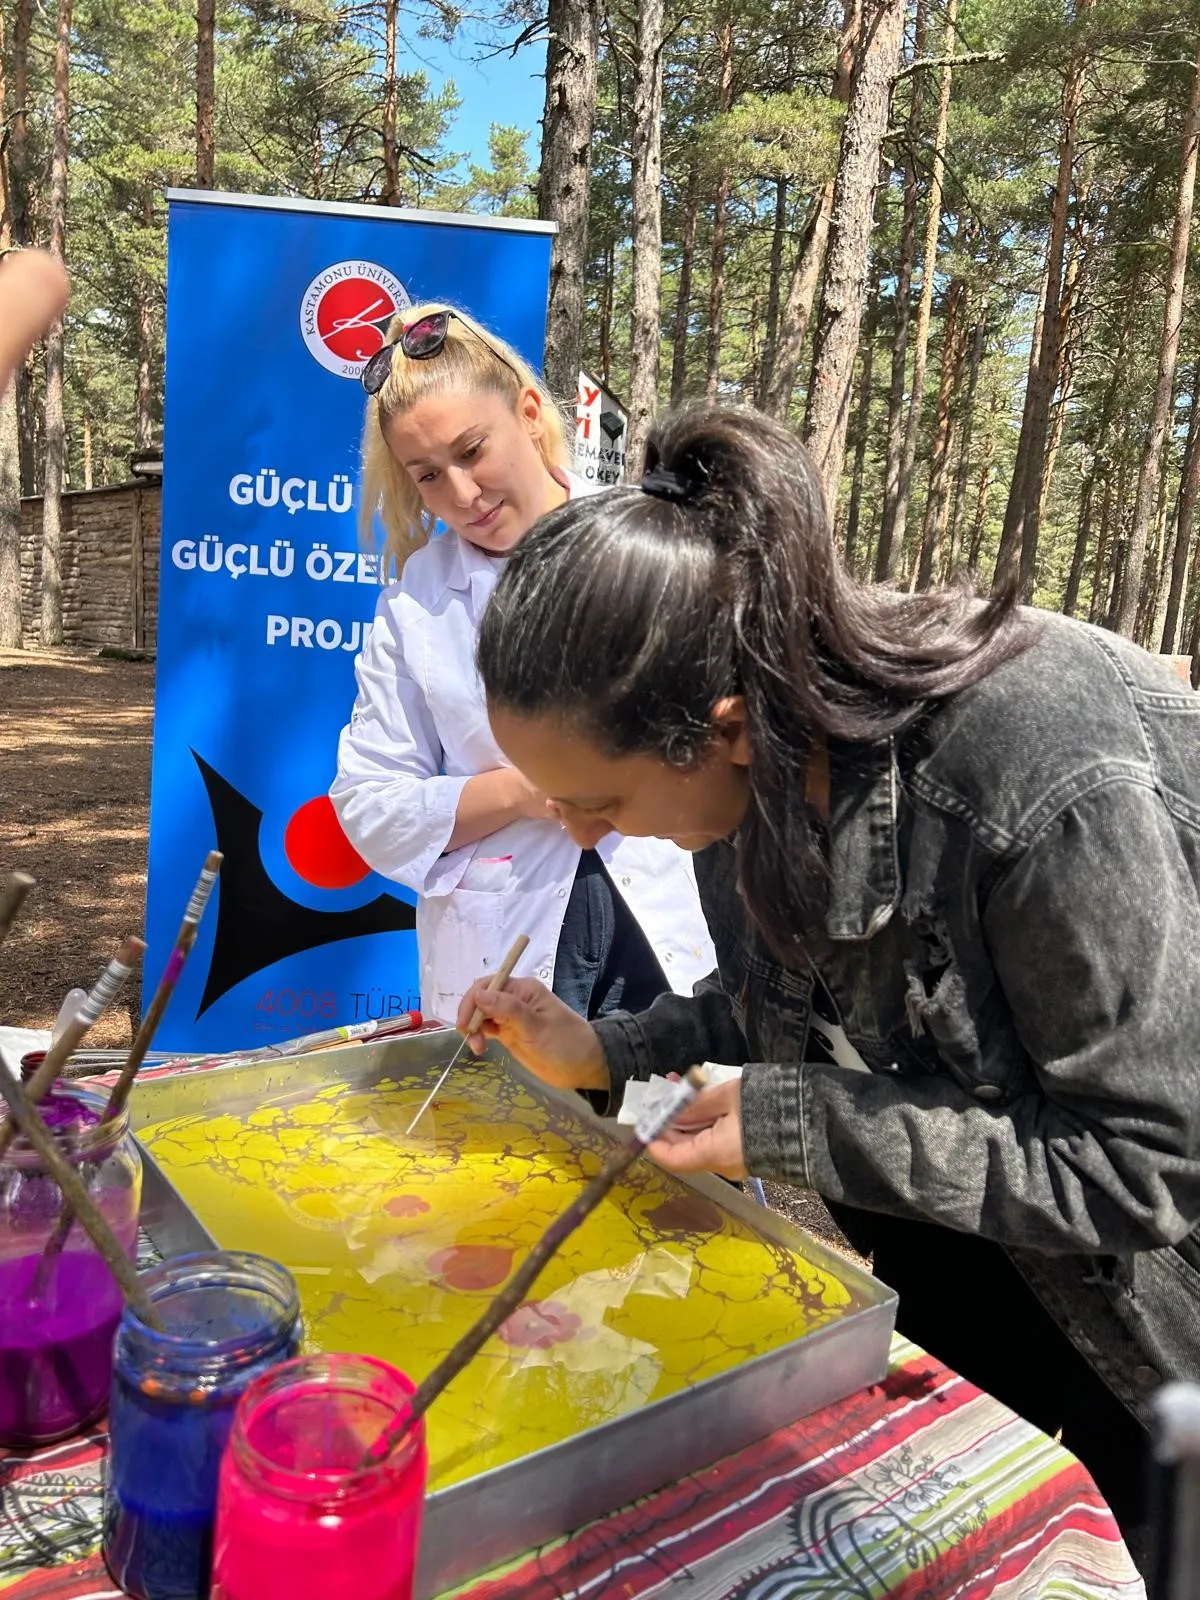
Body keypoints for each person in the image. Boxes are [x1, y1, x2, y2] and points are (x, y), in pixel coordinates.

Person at [455, 401, 1200, 1575]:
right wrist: (597, 1053)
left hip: (1154, 1311)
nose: (581, 833)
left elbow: (1141, 1168)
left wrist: (792, 1120)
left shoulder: (1038, 766)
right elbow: (768, 1010)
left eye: (598, 800)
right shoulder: (745, 779)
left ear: (728, 730)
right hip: (964, 1244)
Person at [331, 305, 714, 1025]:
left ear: (530, 412)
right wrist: (524, 791)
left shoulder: (653, 542)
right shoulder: (417, 603)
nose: (463, 495)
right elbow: (368, 805)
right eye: (428, 477)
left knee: (672, 1124)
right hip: (508, 938)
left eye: (472, 451)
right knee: (513, 1130)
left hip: (667, 917)